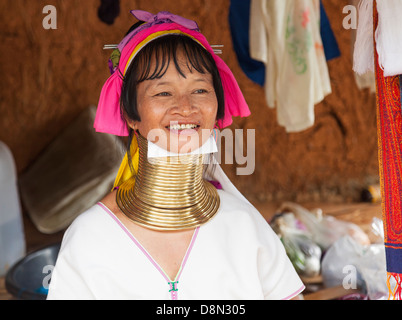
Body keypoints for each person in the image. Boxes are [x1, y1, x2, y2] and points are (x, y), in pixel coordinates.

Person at [47, 10, 305, 300]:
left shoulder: (243, 225)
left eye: (200, 89)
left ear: (217, 108)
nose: (185, 107)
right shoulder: (90, 238)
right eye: (163, 93)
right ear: (131, 115)